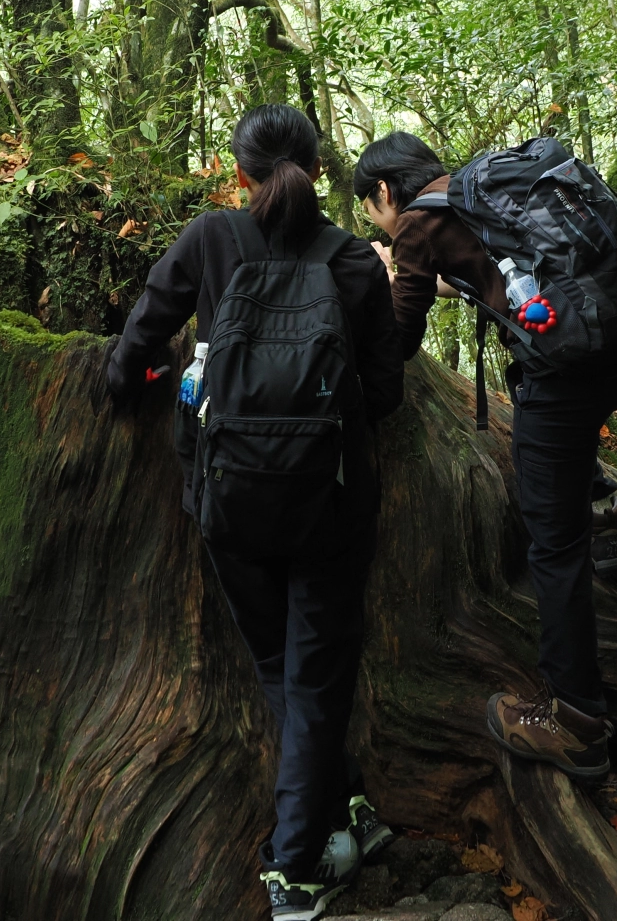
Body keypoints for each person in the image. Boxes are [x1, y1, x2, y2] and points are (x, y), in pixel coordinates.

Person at [109, 104, 403, 921]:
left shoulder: (210, 241)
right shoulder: (350, 262)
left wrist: (123, 384)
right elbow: (383, 394)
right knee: (311, 673)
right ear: (315, 165)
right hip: (330, 504)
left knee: (282, 666)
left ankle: (312, 840)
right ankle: (306, 853)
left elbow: (142, 337)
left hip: (229, 498)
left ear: (239, 175)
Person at [354, 129, 617, 784]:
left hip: (562, 375)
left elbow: (398, 339)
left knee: (551, 541)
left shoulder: (418, 225)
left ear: (385, 193)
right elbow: (489, 278)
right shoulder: (478, 195)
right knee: (568, 447)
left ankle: (578, 724)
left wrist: (386, 278)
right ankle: (605, 510)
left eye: (372, 208)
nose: (381, 220)